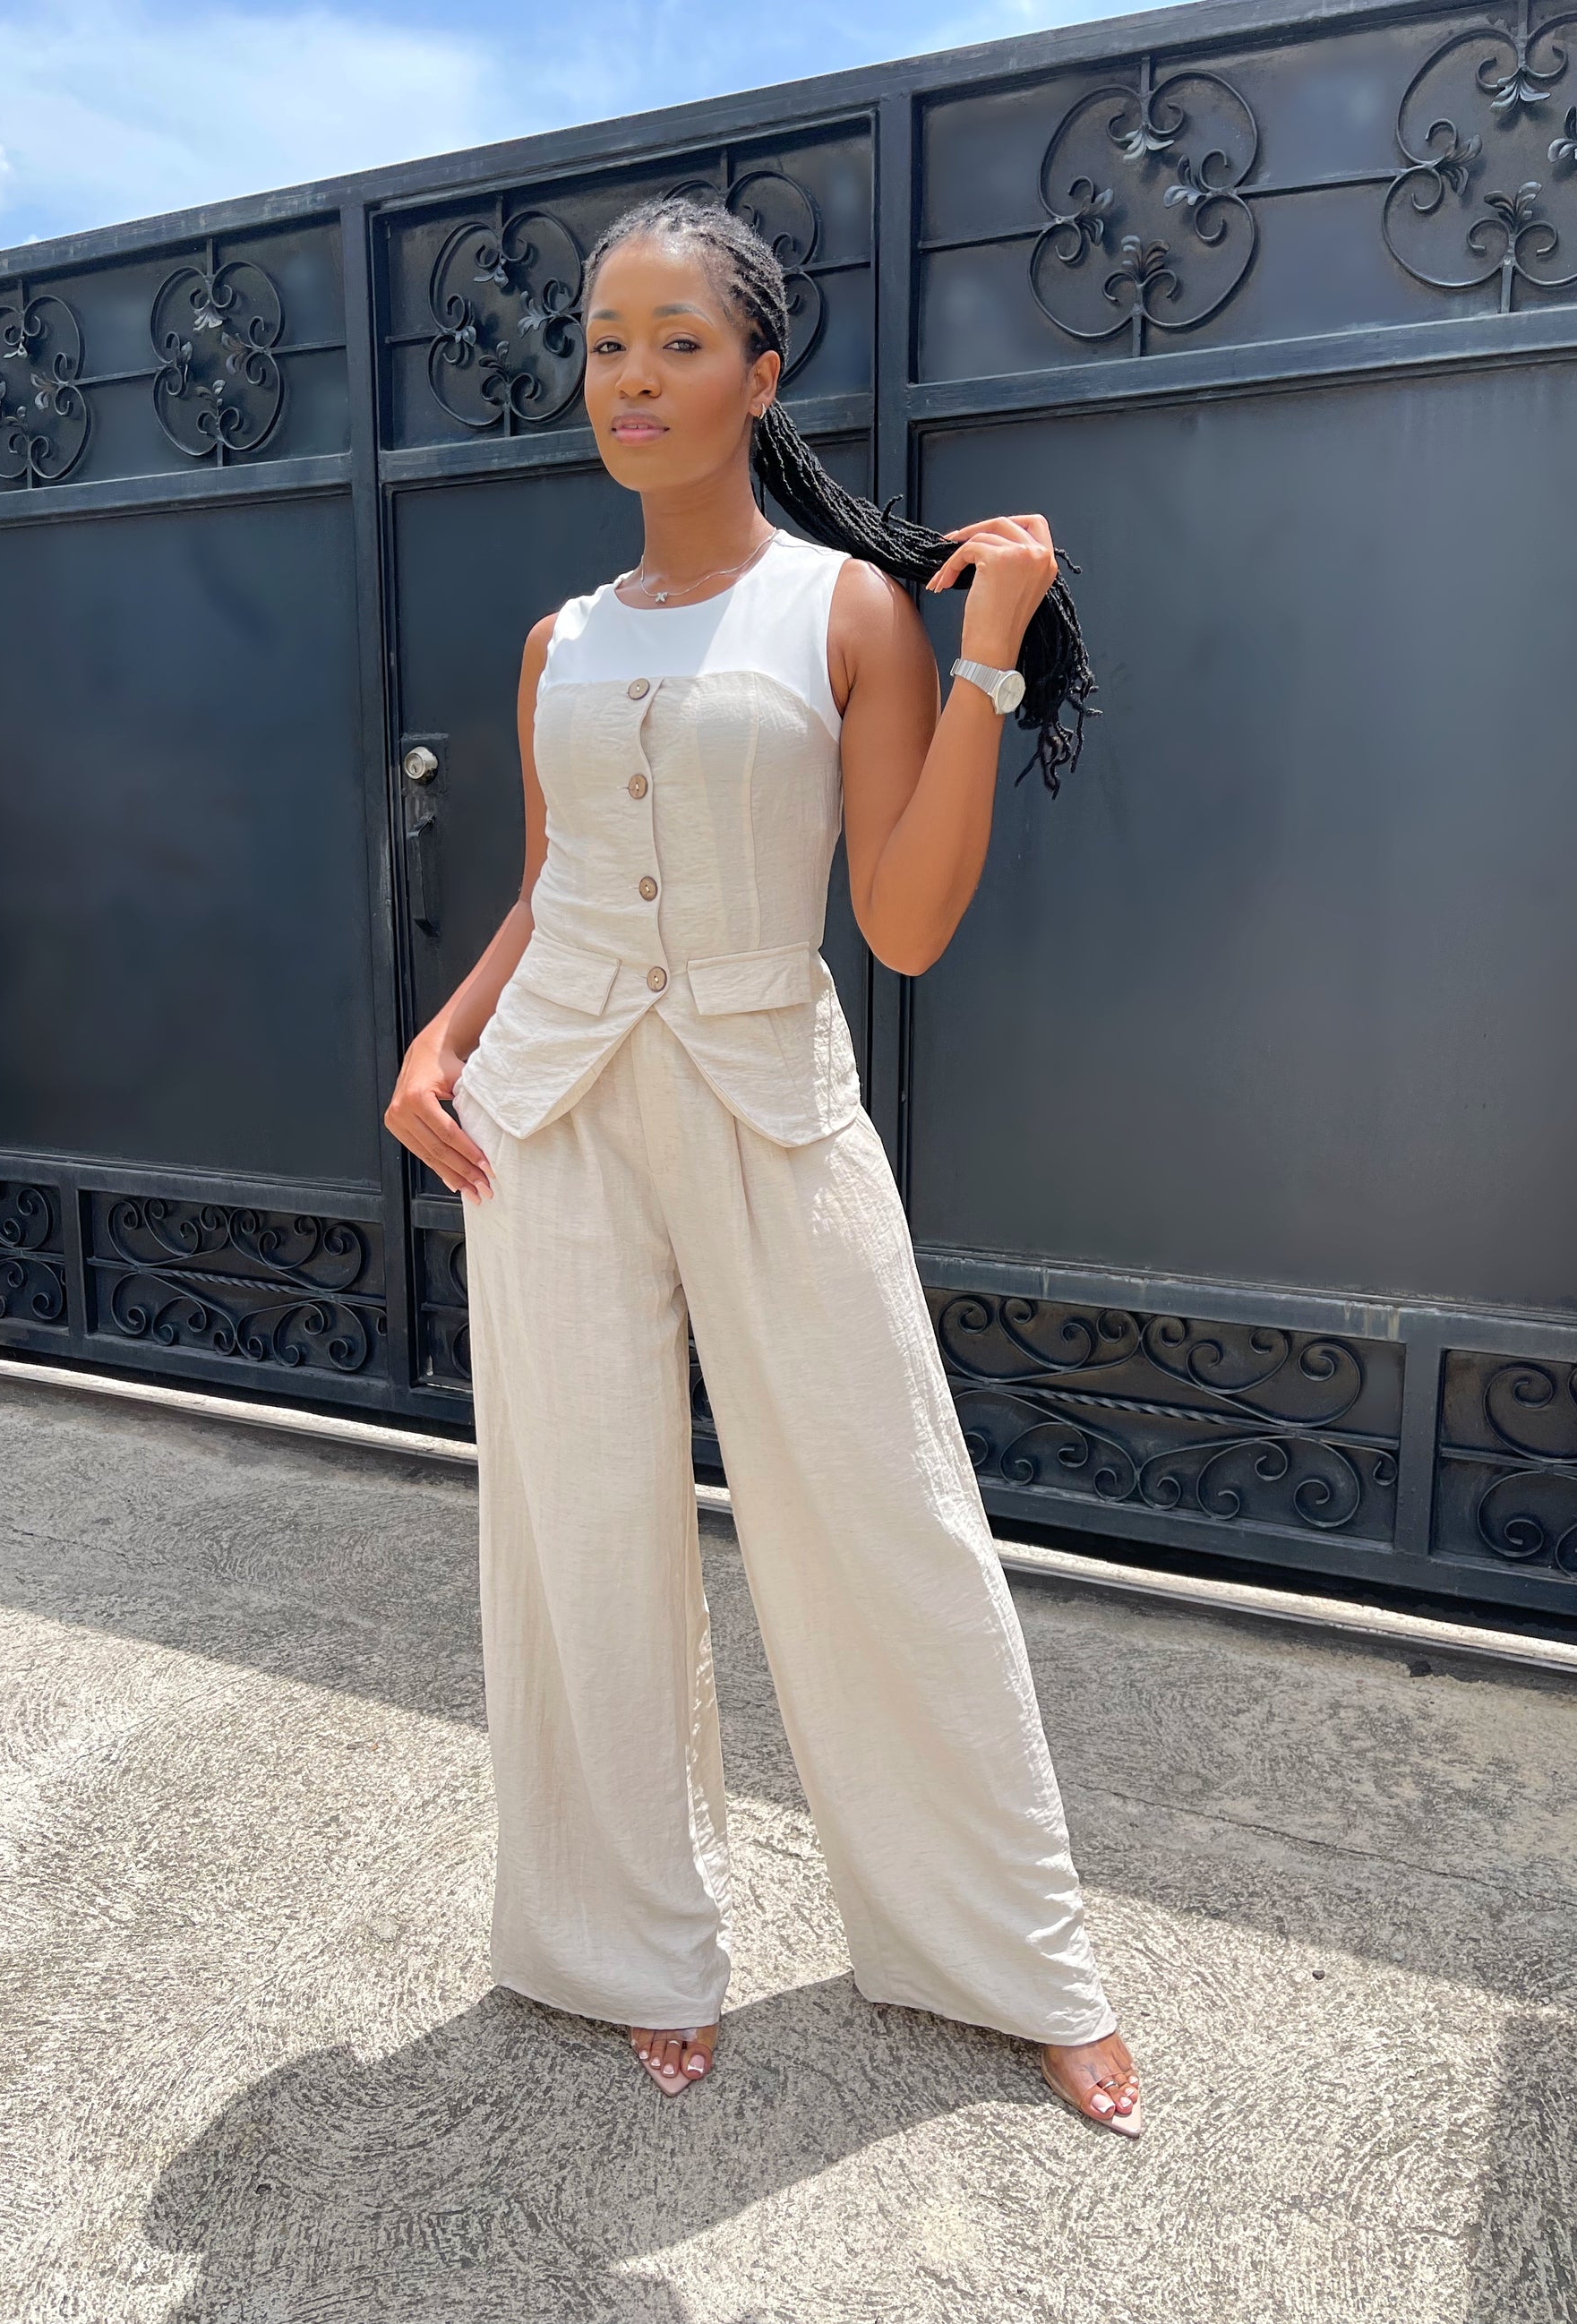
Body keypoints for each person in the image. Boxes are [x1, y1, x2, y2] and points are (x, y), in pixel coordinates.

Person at [383, 190, 1143, 2140]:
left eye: (676, 342)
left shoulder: (845, 612)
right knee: (577, 1529)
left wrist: (983, 662)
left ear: (759, 372)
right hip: (550, 1111)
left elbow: (899, 923)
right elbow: (551, 887)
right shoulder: (558, 639)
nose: (629, 378)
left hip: (765, 1092)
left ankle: (1008, 1954)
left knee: (886, 1515)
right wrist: (442, 1038)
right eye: (604, 344)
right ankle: (620, 1943)